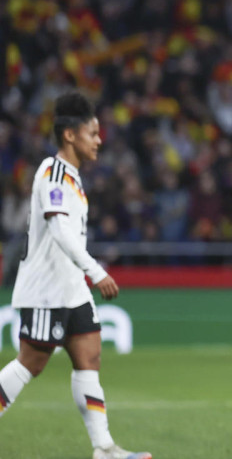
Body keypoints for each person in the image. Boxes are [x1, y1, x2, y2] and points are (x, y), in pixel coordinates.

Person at [0, 92, 150, 459]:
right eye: (92, 133)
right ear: (70, 135)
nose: (99, 140)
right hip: (46, 289)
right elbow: (59, 229)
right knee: (31, 363)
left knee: (90, 357)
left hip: (72, 290)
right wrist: (96, 271)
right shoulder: (52, 173)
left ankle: (104, 448)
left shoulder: (73, 178)